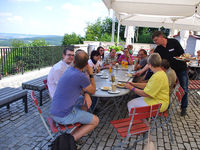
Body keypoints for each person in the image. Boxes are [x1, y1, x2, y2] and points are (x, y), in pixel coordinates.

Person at [136, 31, 189, 116]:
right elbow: (151, 62)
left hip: (180, 69)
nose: (155, 42)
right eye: (154, 41)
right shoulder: (158, 49)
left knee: (184, 89)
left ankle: (184, 107)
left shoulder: (173, 42)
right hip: (168, 71)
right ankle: (165, 107)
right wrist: (141, 72)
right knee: (166, 89)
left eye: (156, 40)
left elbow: (182, 54)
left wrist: (185, 58)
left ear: (161, 37)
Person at [50, 50, 99, 141]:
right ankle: (70, 140)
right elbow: (93, 90)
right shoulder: (81, 76)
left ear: (74, 61)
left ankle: (78, 127)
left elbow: (83, 89)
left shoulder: (69, 70)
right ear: (86, 65)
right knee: (96, 120)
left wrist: (86, 94)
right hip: (63, 116)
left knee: (83, 101)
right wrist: (91, 74)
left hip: (55, 111)